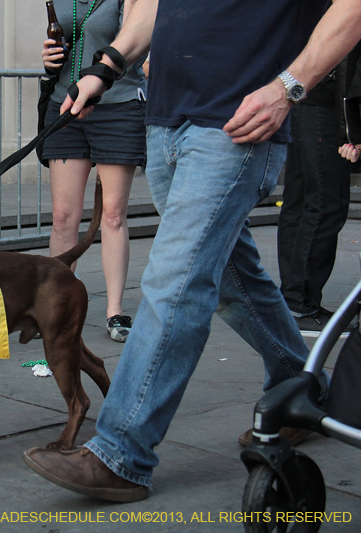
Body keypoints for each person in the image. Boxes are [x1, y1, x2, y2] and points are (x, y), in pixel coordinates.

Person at [22, 0, 361, 503]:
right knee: (227, 273)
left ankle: (121, 453)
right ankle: (300, 385)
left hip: (238, 121)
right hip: (166, 122)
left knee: (174, 281)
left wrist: (289, 87)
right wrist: (106, 67)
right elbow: (154, 9)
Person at [41, 0, 146, 343]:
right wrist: (48, 59)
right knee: (62, 217)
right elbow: (60, 48)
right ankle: (58, 305)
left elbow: (136, 39)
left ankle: (115, 311)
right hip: (66, 103)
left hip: (118, 105)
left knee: (113, 215)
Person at [277, 41, 361, 337]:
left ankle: (293, 301)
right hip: (324, 99)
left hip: (304, 92)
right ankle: (299, 303)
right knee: (323, 202)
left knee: (300, 201)